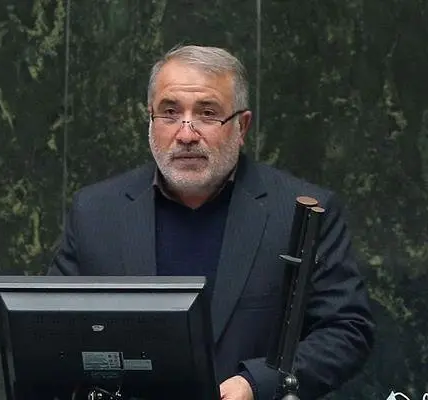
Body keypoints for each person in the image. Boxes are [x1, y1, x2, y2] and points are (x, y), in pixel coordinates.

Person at [48, 44, 375, 400]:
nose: (186, 134)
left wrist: (257, 383)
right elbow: (49, 328)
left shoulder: (301, 213)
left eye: (207, 114)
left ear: (242, 126)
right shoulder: (96, 212)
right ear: (150, 120)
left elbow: (346, 329)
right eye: (170, 112)